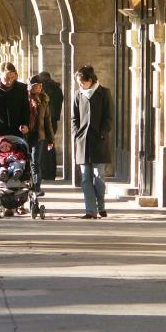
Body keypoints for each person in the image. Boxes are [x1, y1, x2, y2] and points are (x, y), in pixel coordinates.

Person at [71, 65, 113, 219]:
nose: (80, 85)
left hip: (99, 141)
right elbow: (74, 117)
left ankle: (100, 205)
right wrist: (76, 134)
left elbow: (109, 117)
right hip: (83, 142)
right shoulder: (77, 95)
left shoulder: (104, 93)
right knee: (85, 178)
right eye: (78, 83)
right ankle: (91, 210)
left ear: (90, 80)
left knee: (99, 177)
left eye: (82, 82)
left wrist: (103, 133)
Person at [0, 62, 30, 139]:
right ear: (0, 75)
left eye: (12, 78)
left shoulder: (22, 88)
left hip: (17, 134)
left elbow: (26, 109)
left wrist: (25, 124)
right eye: (6, 78)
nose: (9, 81)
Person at [26, 75, 54, 197]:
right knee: (25, 161)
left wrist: (51, 139)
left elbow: (47, 121)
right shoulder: (24, 99)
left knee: (36, 162)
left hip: (39, 136)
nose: (38, 88)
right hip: (25, 135)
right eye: (35, 86)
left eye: (39, 86)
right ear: (30, 87)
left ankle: (37, 187)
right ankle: (26, 184)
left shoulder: (44, 100)